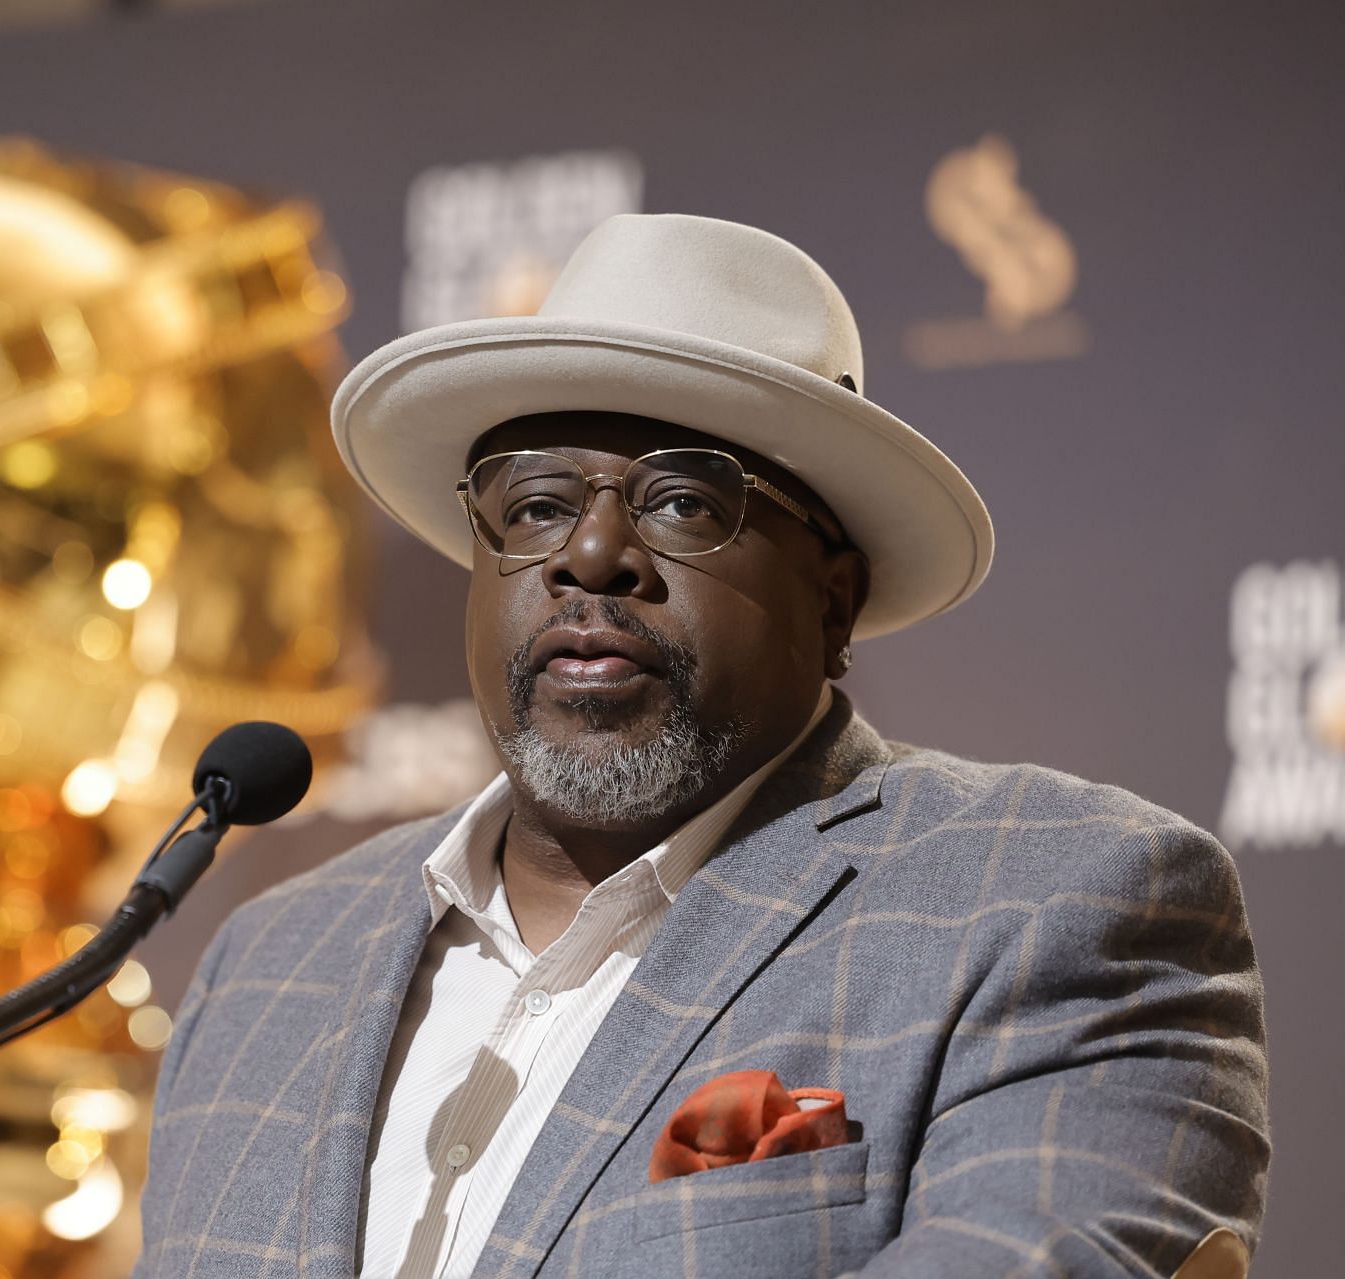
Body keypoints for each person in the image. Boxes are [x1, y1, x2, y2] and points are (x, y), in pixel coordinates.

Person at [132, 215, 1268, 1278]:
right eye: (532, 507)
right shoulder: (268, 962)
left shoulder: (1057, 906)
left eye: (682, 502)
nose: (589, 556)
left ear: (832, 604)